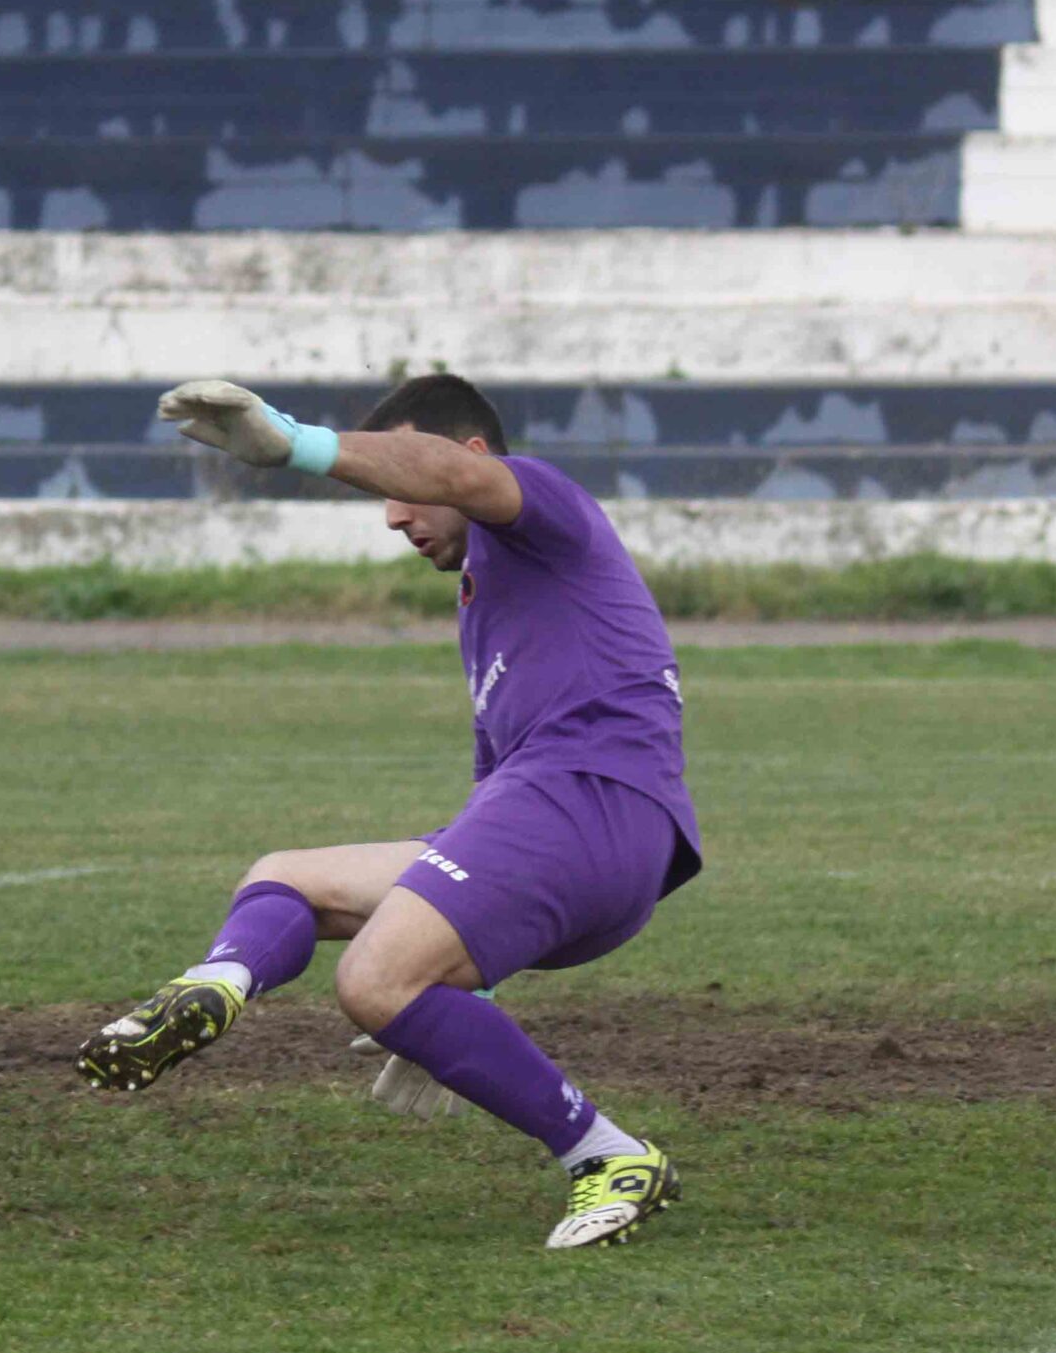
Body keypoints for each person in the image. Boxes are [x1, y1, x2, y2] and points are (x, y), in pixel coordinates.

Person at [77, 375, 703, 1250]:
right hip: (567, 827)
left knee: (372, 982)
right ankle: (213, 988)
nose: (392, 515)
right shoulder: (487, 596)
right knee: (284, 878)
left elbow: (451, 473)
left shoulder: (544, 505)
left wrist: (295, 444)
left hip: (591, 803)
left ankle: (609, 1156)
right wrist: (467, 988)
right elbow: (493, 798)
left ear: (467, 458)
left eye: (402, 483)